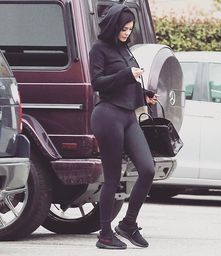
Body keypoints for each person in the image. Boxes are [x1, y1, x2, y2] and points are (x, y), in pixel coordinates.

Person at [89, 4, 158, 250]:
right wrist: (127, 75)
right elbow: (97, 83)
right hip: (107, 116)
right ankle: (105, 235)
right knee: (112, 179)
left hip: (128, 115)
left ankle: (128, 224)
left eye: (130, 29)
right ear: (114, 26)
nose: (127, 32)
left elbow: (130, 79)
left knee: (148, 169)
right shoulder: (99, 49)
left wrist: (145, 93)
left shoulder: (124, 48)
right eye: (124, 28)